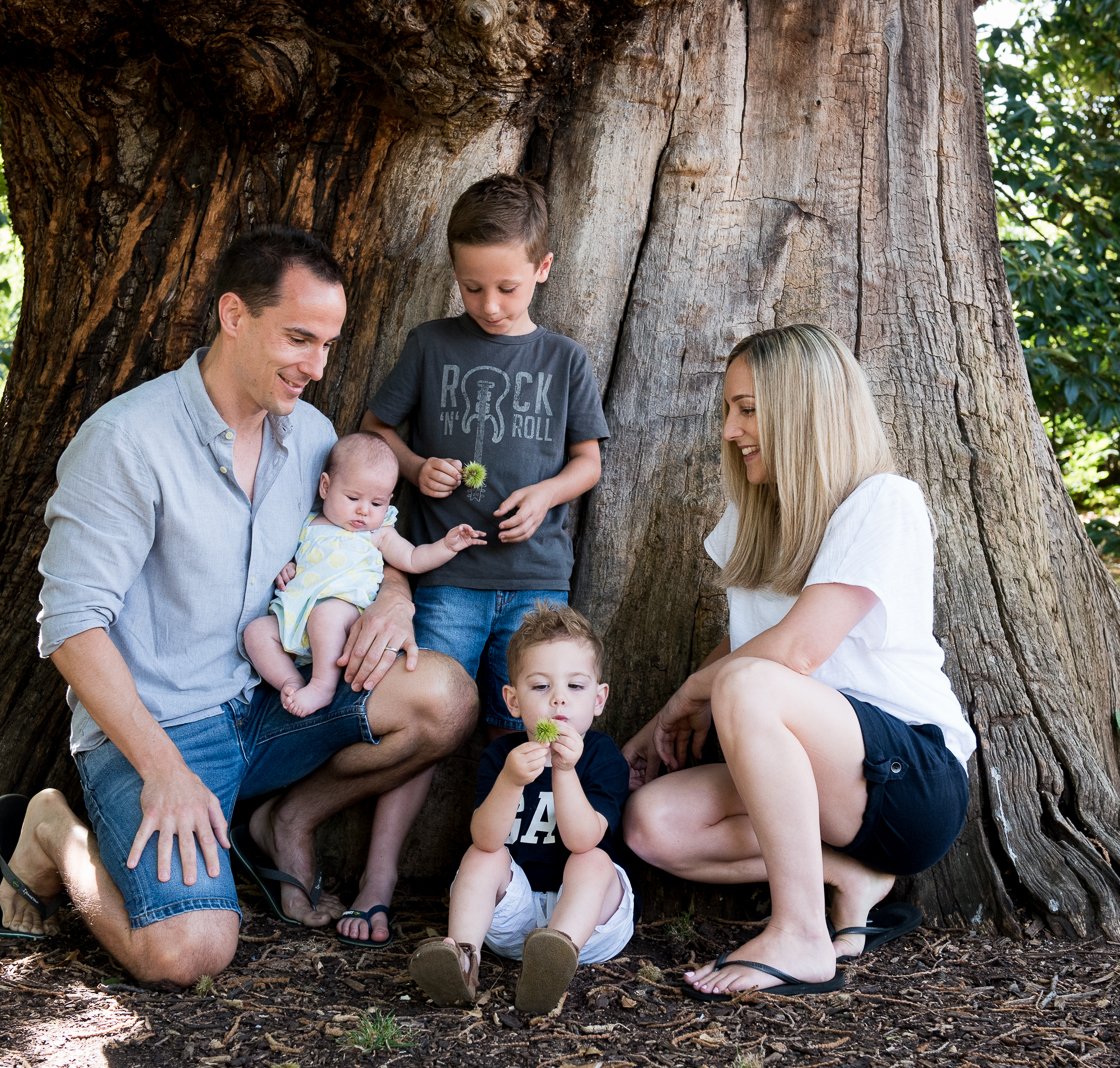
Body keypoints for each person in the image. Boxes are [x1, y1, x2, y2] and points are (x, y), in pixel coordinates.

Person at [0, 226, 475, 989]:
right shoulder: (126, 441)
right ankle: (49, 831)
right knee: (189, 953)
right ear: (234, 315)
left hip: (276, 701)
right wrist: (164, 768)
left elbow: (365, 537)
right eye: (299, 339)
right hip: (162, 729)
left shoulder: (311, 437)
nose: (316, 367)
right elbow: (71, 627)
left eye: (328, 345)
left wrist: (397, 598)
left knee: (445, 698)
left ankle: (290, 820)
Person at [621, 324, 974, 1000]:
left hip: (911, 780)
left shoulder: (883, 500)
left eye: (748, 409)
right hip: (830, 792)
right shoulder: (758, 514)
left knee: (754, 683)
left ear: (803, 408)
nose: (730, 429)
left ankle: (802, 936)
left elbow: (798, 651)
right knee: (653, 825)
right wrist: (681, 703)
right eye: (729, 409)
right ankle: (849, 877)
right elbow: (750, 640)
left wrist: (693, 695)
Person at [344, 173, 610, 948]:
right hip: (448, 582)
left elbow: (587, 462)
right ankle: (379, 879)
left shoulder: (564, 359)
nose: (489, 304)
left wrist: (547, 495)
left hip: (534, 586)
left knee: (523, 736)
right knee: (430, 726)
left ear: (543, 268)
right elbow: (375, 432)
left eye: (506, 286)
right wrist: (416, 462)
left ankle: (521, 893)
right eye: (472, 287)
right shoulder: (431, 344)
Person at [407, 603, 633, 1015]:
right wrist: (511, 781)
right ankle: (462, 958)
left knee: (595, 861)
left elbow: (583, 839)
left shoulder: (602, 756)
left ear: (599, 699)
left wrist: (565, 772)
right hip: (516, 912)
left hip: (591, 922)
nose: (559, 699)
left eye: (576, 687)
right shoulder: (502, 757)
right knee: (481, 856)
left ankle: (555, 960)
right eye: (541, 687)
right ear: (512, 700)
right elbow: (486, 838)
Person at [244, 431, 485, 717]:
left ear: (389, 501)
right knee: (256, 632)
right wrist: (290, 566)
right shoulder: (310, 524)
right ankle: (291, 680)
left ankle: (323, 686)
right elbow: (300, 558)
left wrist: (447, 545)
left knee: (326, 615)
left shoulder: (377, 533)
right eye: (353, 497)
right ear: (325, 486)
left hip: (345, 614)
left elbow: (412, 558)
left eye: (376, 504)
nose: (362, 511)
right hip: (295, 616)